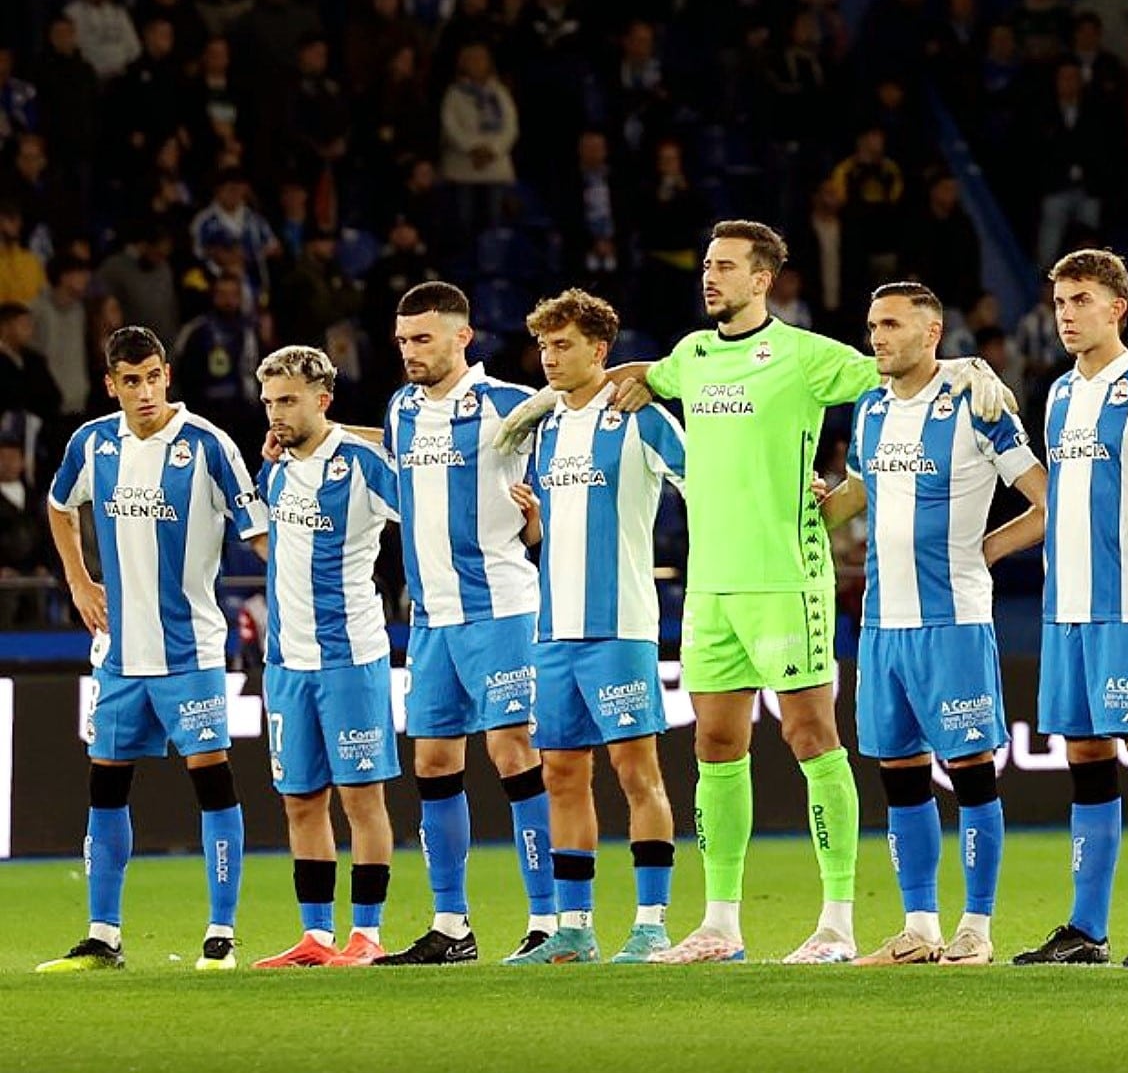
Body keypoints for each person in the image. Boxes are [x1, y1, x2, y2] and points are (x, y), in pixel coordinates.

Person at [495, 220, 1013, 964]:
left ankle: (836, 923)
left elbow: (896, 365)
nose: (710, 277)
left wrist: (965, 365)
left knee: (811, 738)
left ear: (762, 280)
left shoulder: (805, 357)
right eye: (707, 264)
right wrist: (548, 401)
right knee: (714, 743)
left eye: (726, 267)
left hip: (786, 579)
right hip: (712, 587)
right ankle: (720, 926)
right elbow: (638, 373)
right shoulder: (692, 355)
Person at [819, 282, 1047, 967]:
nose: (877, 336)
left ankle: (976, 928)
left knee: (972, 772)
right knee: (901, 777)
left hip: (953, 621)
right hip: (883, 623)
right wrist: (817, 510)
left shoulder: (977, 405)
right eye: (871, 323)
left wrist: (988, 550)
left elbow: (1045, 500)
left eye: (890, 324)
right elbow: (860, 491)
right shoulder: (869, 409)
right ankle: (919, 928)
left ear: (932, 330)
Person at [37, 326, 267, 972]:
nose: (143, 391)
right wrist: (79, 580)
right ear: (111, 384)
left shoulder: (209, 446)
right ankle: (103, 935)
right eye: (129, 380)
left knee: (214, 785)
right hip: (118, 655)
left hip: (189, 651)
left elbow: (257, 531)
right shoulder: (92, 443)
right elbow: (59, 506)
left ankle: (220, 933)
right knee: (106, 789)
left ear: (168, 373)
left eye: (152, 376)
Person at [1010, 250, 1128, 968]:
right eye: (1060, 301)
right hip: (1067, 606)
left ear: (1118, 307)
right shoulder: (1059, 393)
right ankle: (1086, 928)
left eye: (1081, 299)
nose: (1066, 313)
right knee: (1085, 754)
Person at [503, 289, 686, 965]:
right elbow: (555, 531)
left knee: (637, 772)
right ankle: (574, 928)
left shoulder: (639, 417)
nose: (550, 358)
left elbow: (706, 481)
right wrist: (531, 524)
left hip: (621, 626)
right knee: (562, 775)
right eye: (545, 346)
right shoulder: (546, 429)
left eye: (564, 345)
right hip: (555, 633)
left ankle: (651, 922)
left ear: (600, 351)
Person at [375, 281, 555, 965]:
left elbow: (559, 483)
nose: (410, 352)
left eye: (423, 339)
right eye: (402, 341)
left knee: (512, 752)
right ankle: (452, 925)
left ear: (462, 337)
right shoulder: (400, 410)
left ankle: (548, 919)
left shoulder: (512, 406)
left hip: (501, 607)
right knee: (434, 761)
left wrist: (538, 521)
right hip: (430, 618)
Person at [250, 347, 400, 968]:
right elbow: (276, 549)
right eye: (268, 402)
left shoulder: (364, 464)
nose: (275, 414)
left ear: (323, 400)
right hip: (286, 661)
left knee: (361, 797)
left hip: (351, 656)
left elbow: (426, 517)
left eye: (287, 400)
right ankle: (316, 935)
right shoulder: (277, 470)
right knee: (300, 800)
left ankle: (366, 933)